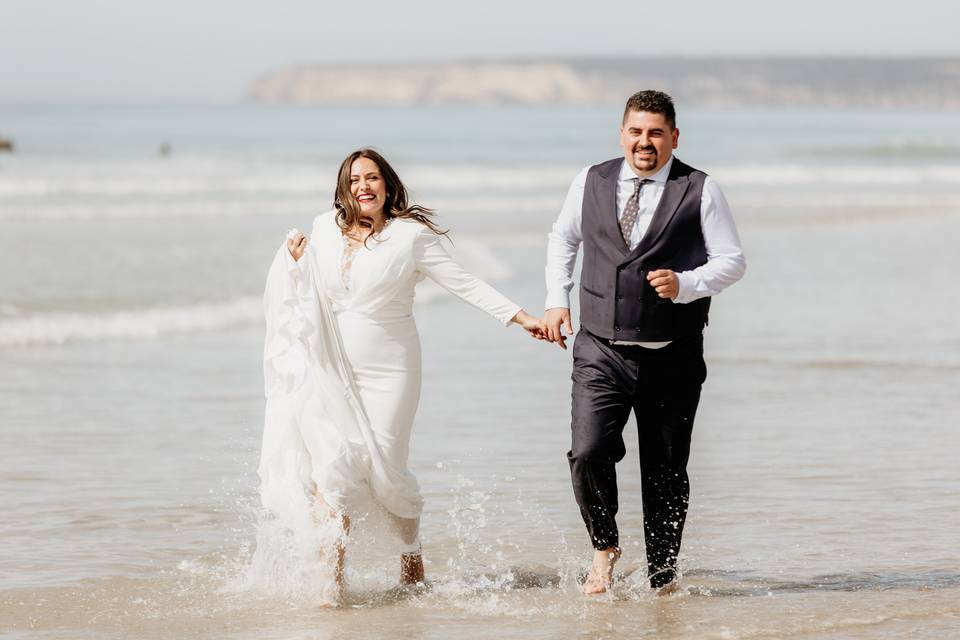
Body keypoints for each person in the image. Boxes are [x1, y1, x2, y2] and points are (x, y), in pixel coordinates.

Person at [260, 148, 545, 603]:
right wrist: (294, 263)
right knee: (333, 469)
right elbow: (303, 290)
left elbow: (464, 282)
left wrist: (520, 316)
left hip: (391, 371)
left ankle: (411, 555)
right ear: (343, 188)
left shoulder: (410, 238)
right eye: (354, 180)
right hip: (330, 366)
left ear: (387, 184)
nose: (363, 187)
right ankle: (329, 586)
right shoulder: (322, 230)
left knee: (387, 472)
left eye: (372, 178)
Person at [542, 90, 746, 595]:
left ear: (674, 137)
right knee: (588, 452)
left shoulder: (699, 188)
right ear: (622, 134)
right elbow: (563, 238)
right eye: (635, 131)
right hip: (599, 349)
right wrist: (556, 298)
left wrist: (687, 284)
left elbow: (732, 260)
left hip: (672, 355)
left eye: (656, 132)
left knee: (665, 474)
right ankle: (604, 547)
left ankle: (663, 579)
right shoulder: (590, 180)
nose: (645, 142)